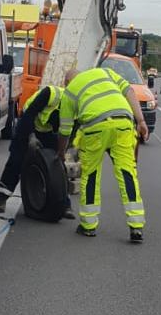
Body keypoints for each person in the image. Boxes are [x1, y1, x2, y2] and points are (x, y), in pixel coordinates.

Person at [57, 66, 148, 241]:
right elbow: (129, 91)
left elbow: (65, 130)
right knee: (127, 174)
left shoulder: (69, 92)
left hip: (94, 129)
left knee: (90, 176)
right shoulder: (105, 72)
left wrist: (61, 152)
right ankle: (136, 227)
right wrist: (141, 120)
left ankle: (88, 226)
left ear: (67, 82)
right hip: (123, 124)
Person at [0, 84, 75, 219]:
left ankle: (64, 205)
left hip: (49, 131)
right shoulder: (51, 94)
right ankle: (1, 198)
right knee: (16, 161)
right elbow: (29, 114)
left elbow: (72, 130)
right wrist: (31, 136)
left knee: (57, 164)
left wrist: (63, 149)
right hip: (28, 123)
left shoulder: (74, 106)